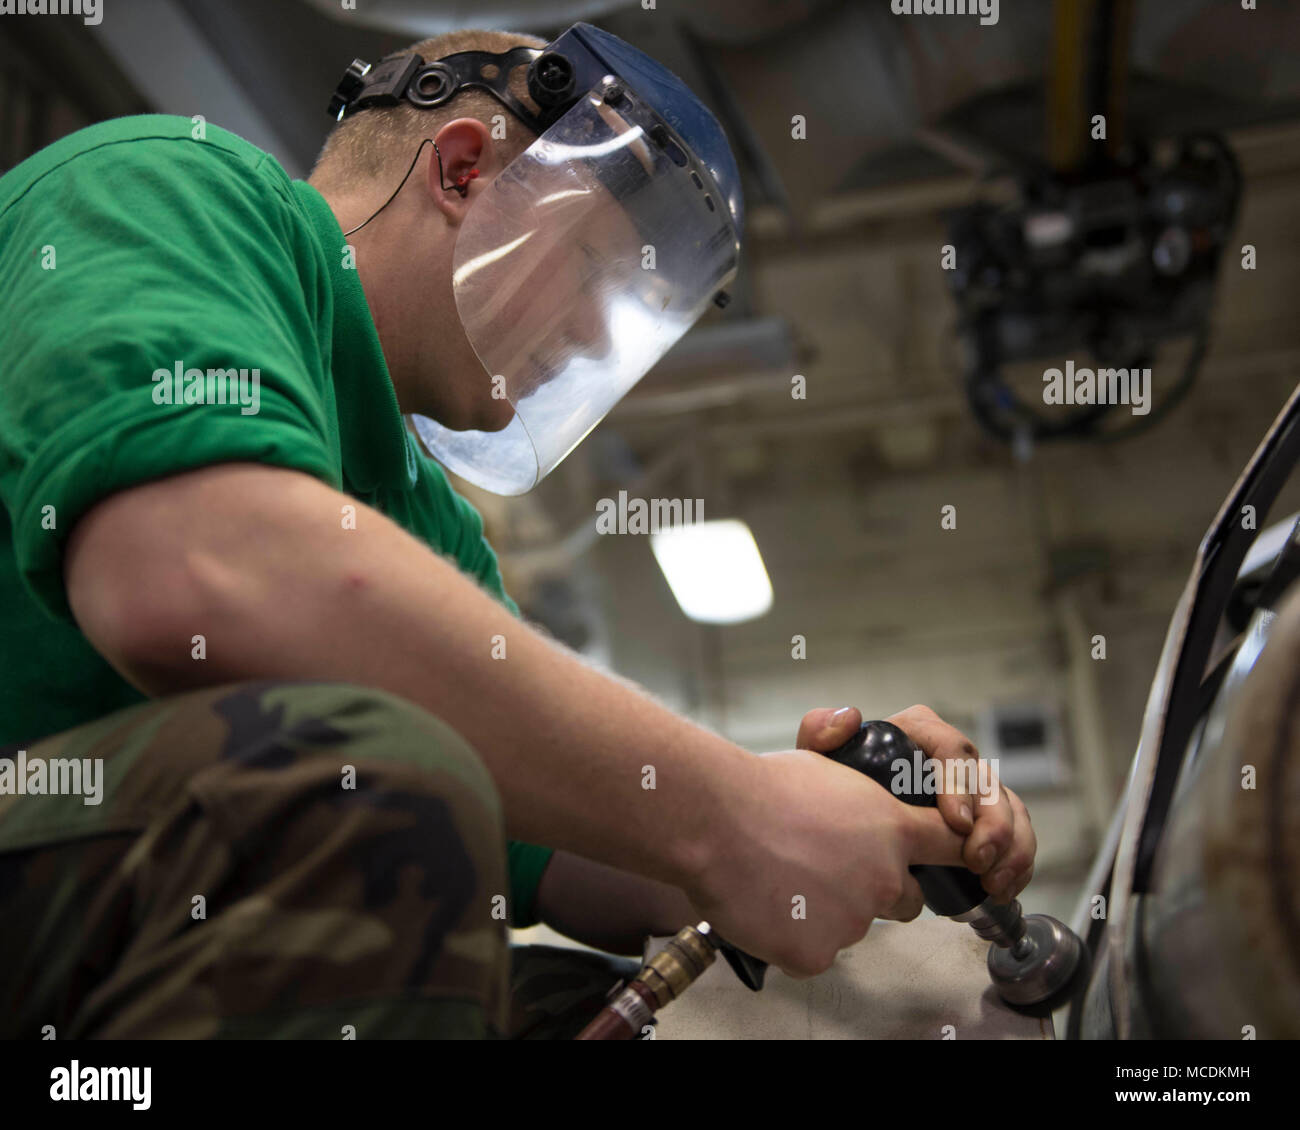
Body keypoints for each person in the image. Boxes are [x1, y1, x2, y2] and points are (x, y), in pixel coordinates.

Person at [0, 24, 1036, 1039]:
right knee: (371, 771)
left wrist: (844, 817)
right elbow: (191, 574)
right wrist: (736, 811)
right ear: (459, 170)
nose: (593, 338)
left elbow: (562, 833)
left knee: (543, 989)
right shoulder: (177, 188)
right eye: (598, 276)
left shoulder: (425, 519)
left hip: (92, 908)